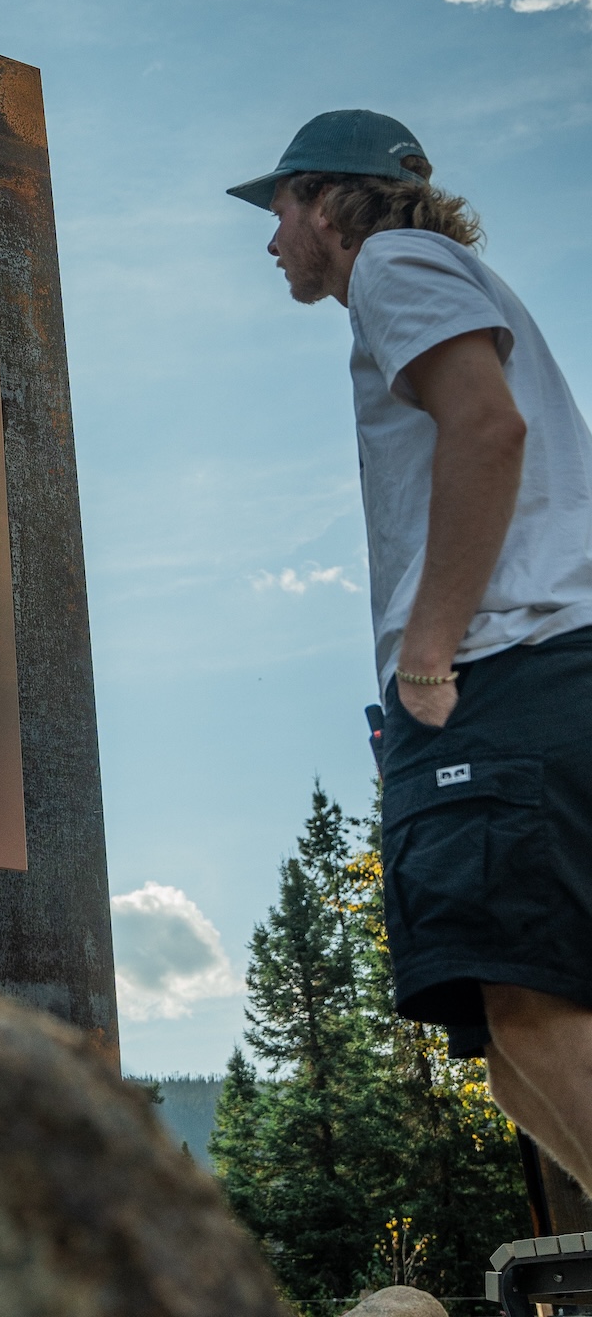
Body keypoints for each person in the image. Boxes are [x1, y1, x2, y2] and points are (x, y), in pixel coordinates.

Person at [228, 108, 592, 1197]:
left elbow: (487, 428)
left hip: (504, 674)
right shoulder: (447, 277)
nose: (272, 239)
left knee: (527, 1009)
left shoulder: (394, 260)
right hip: (544, 678)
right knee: (511, 1041)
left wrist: (429, 650)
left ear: (329, 203)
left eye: (279, 208)